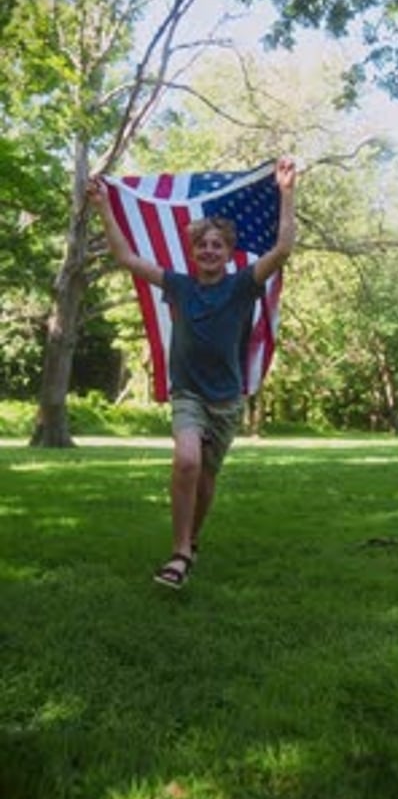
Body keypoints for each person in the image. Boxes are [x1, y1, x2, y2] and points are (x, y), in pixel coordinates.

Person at [87, 156, 296, 589]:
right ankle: (179, 552)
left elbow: (283, 250)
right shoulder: (179, 285)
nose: (209, 251)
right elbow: (125, 256)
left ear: (228, 251)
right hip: (188, 395)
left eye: (217, 245)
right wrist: (104, 205)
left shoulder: (243, 284)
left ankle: (192, 542)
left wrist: (287, 192)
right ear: (192, 251)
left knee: (205, 479)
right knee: (186, 461)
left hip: (227, 399)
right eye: (202, 245)